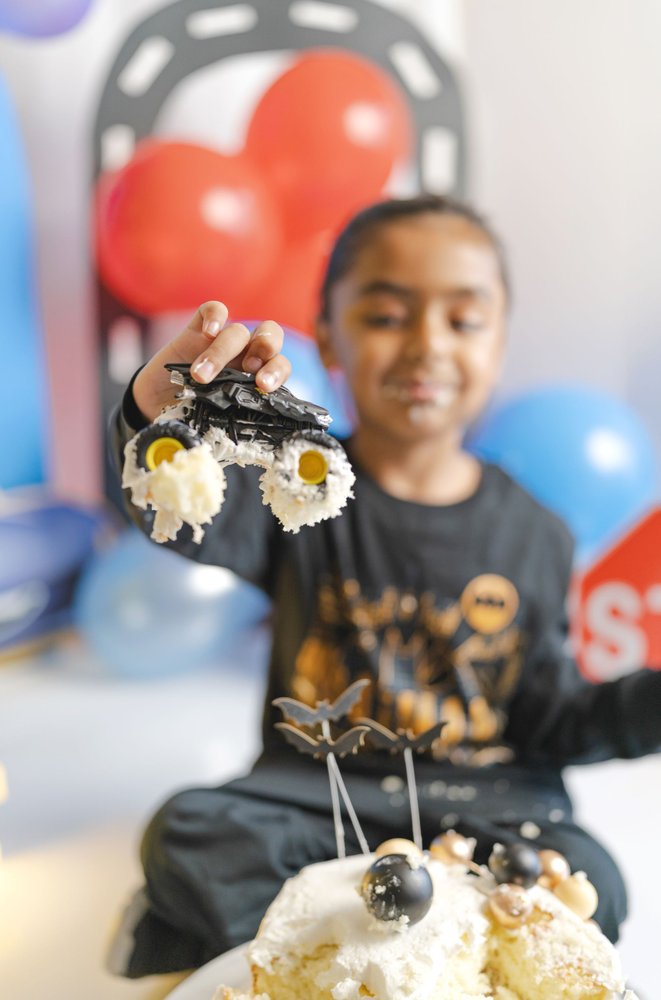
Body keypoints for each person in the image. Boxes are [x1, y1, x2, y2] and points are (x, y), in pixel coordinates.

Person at [108, 195, 661, 978]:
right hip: (318, 800)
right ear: (329, 331)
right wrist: (155, 427)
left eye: (463, 321)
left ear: (499, 340)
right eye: (387, 316)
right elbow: (183, 513)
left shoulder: (536, 533)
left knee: (592, 879)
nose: (426, 345)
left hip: (488, 813)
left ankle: (386, 950)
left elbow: (549, 714)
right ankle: (371, 957)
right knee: (188, 835)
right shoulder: (293, 482)